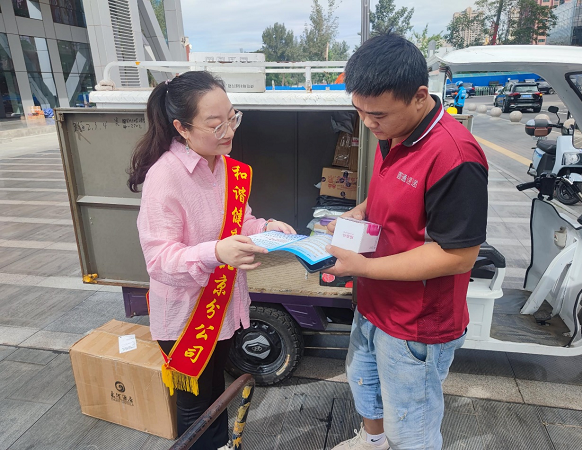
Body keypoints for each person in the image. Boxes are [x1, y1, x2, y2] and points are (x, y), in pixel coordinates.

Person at [325, 34, 488, 450]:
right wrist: (364, 207)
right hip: (376, 302)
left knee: (410, 425)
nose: (367, 124)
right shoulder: (394, 130)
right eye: (359, 111)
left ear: (419, 96)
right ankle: (372, 442)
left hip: (417, 323)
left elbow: (458, 255)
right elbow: (398, 186)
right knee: (364, 383)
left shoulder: (455, 156)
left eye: (376, 115)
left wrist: (362, 268)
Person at [128, 71, 295, 450]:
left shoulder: (227, 168)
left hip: (222, 307)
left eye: (232, 118)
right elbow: (159, 259)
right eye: (215, 124)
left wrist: (266, 226)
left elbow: (241, 221)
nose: (228, 131)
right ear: (182, 128)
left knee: (216, 392)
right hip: (187, 316)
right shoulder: (165, 177)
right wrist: (216, 253)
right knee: (196, 408)